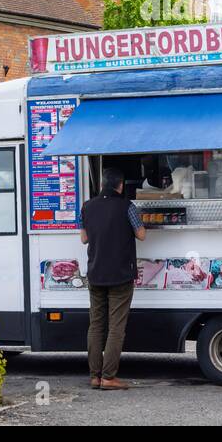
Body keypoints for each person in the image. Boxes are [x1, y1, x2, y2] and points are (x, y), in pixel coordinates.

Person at [80, 166, 146, 390]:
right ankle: (109, 377)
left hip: (96, 273)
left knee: (96, 325)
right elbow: (142, 234)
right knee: (116, 326)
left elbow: (84, 238)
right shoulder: (127, 207)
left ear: (101, 185)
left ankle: (95, 376)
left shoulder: (87, 207)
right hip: (120, 275)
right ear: (120, 185)